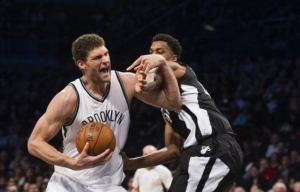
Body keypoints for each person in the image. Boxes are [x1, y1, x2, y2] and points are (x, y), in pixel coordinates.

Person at [27, 33, 182, 192]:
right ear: (82, 64)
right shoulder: (68, 98)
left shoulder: (125, 83)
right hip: (68, 183)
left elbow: (173, 103)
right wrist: (72, 163)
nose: (105, 60)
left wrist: (163, 65)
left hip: (108, 186)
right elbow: (34, 143)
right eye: (97, 57)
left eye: (106, 54)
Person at [122, 33, 243, 192]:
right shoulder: (167, 109)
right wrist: (130, 163)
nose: (154, 56)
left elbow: (154, 79)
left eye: (160, 52)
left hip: (214, 146)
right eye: (151, 52)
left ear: (173, 58)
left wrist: (144, 82)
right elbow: (173, 150)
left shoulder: (181, 70)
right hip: (193, 154)